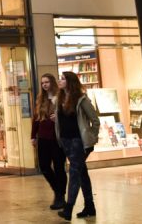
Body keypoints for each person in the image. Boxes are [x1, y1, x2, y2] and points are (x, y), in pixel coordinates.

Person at [54, 71, 100, 220]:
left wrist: (91, 137)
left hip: (79, 141)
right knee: (81, 172)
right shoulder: (59, 98)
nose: (59, 81)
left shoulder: (81, 99)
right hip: (66, 141)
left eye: (62, 79)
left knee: (74, 172)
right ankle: (90, 206)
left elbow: (95, 120)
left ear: (70, 82)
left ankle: (68, 208)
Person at [31, 73, 67, 210]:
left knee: (59, 168)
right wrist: (33, 136)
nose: (44, 85)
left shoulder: (61, 98)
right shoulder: (41, 99)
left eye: (46, 82)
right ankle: (58, 191)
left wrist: (59, 119)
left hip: (57, 138)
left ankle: (60, 197)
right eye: (42, 83)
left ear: (52, 82)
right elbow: (36, 119)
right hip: (43, 138)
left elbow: (68, 116)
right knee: (44, 167)